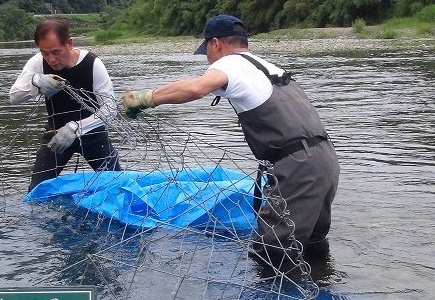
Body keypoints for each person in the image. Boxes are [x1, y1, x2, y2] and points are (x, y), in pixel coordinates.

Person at [123, 14, 339, 271]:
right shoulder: (267, 66)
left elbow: (195, 88)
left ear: (216, 44)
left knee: (272, 256)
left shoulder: (230, 65)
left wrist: (147, 98)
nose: (208, 58)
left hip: (297, 168)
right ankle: (322, 290)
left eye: (207, 51)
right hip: (325, 160)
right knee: (312, 244)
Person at [9, 19, 121, 191]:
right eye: (45, 53)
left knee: (117, 186)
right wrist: (36, 83)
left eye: (56, 52)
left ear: (69, 43)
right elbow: (14, 97)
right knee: (36, 190)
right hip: (56, 136)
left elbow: (110, 109)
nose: (51, 59)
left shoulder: (92, 64)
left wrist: (75, 127)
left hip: (93, 135)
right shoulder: (38, 62)